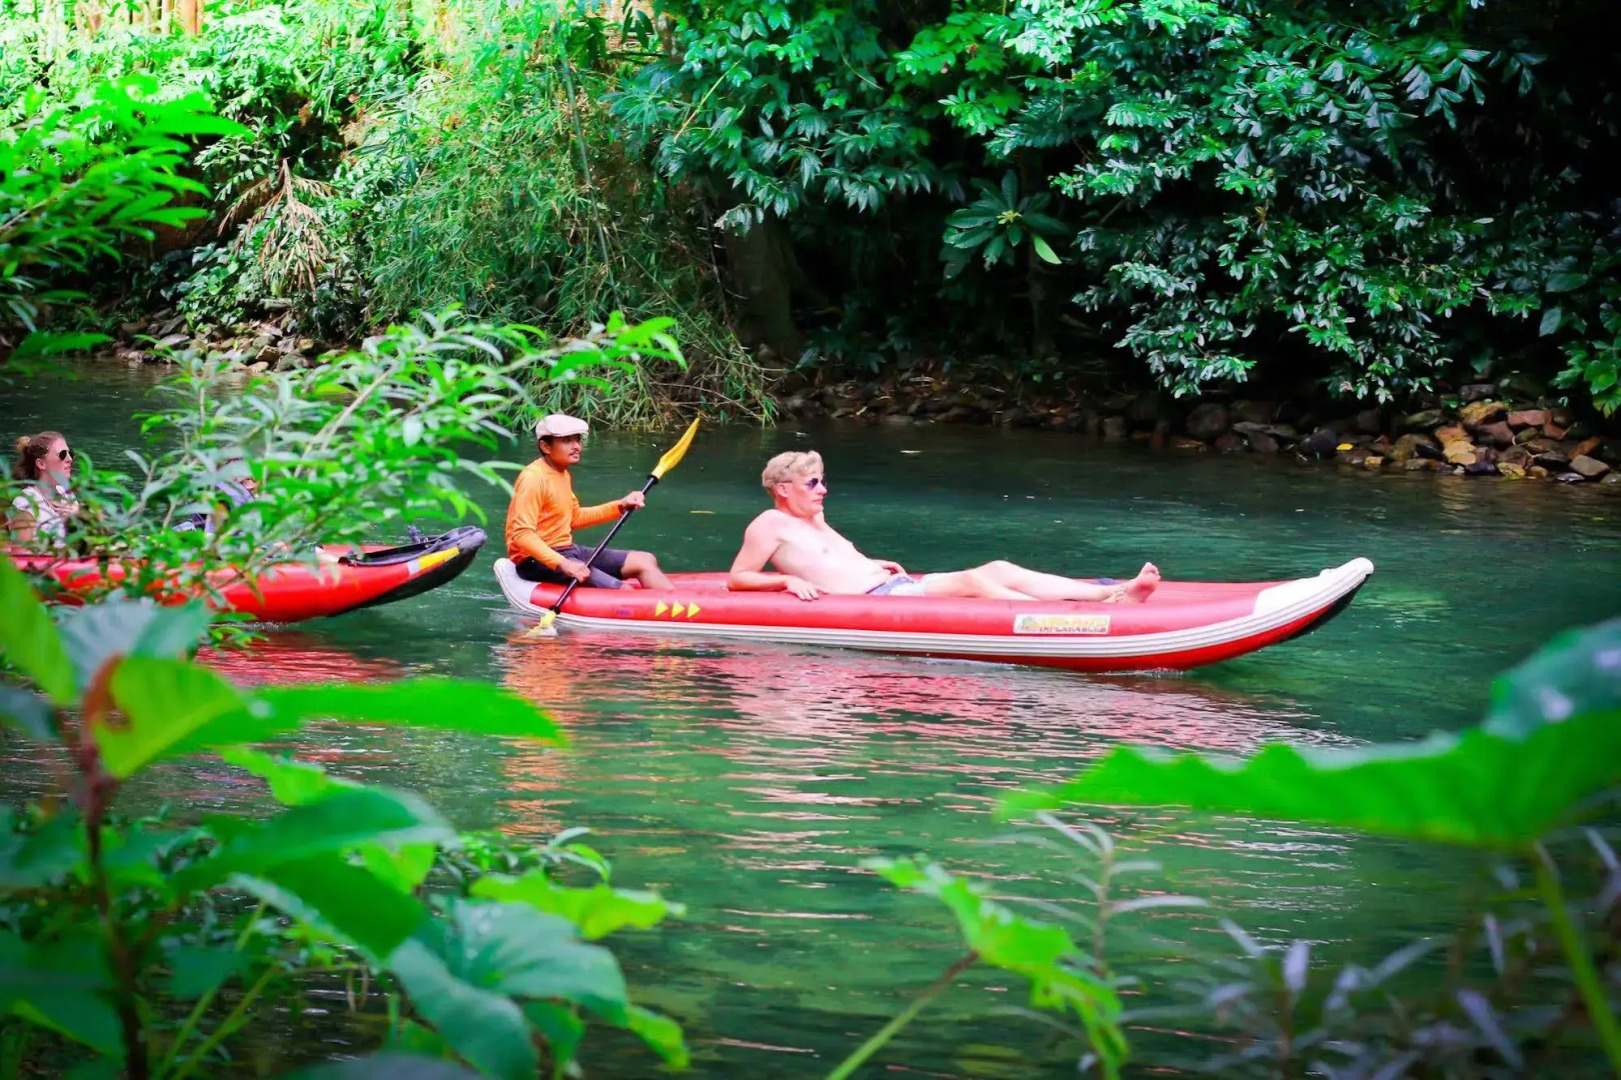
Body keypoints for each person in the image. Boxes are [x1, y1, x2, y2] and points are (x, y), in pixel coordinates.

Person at [728, 450, 1161, 602]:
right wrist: (783, 582)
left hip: (893, 585)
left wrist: (871, 561)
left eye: (822, 480)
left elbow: (831, 559)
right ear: (784, 489)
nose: (823, 489)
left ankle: (1110, 593)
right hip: (879, 600)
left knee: (999, 568)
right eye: (813, 482)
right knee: (975, 580)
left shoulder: (814, 520)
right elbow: (738, 578)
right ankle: (1053, 619)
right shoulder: (770, 522)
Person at [505, 413, 672, 589]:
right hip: (535, 561)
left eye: (578, 440)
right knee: (624, 591)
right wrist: (564, 563)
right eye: (567, 441)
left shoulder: (561, 473)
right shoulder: (533, 478)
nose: (577, 446)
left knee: (645, 560)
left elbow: (573, 518)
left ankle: (678, 607)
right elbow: (521, 534)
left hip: (566, 549)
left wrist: (620, 506)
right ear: (546, 446)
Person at [7, 431, 79, 547]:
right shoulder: (26, 503)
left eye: (70, 453)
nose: (69, 459)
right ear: (41, 464)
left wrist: (78, 519)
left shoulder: (67, 495)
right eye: (62, 454)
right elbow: (21, 557)